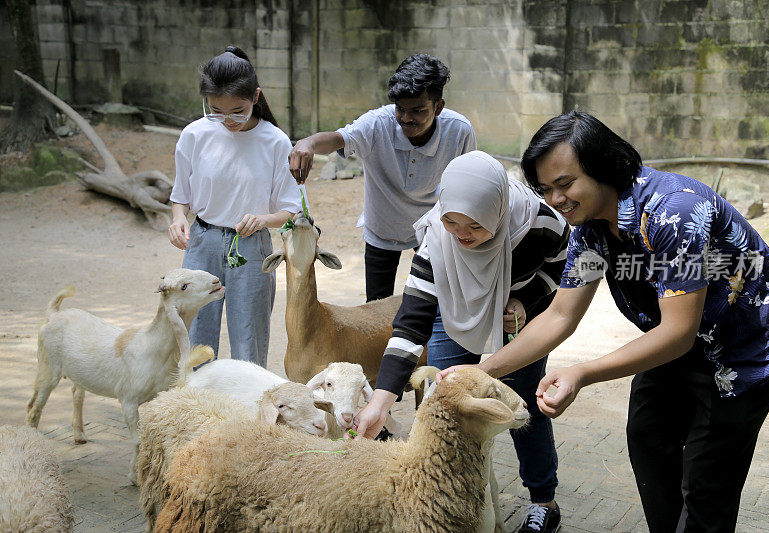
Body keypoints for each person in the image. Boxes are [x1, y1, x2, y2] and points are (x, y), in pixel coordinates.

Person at [439, 112, 769, 532]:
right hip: (678, 340)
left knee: (706, 481)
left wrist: (581, 372)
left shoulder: (674, 212)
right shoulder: (589, 228)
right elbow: (560, 314)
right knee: (649, 439)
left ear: (604, 167)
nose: (554, 200)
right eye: (545, 189)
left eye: (565, 184)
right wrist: (478, 372)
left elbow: (677, 333)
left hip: (744, 350)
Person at [354, 151, 570, 533]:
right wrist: (380, 403)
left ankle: (543, 501)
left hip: (517, 317)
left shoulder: (539, 224)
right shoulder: (438, 240)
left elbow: (560, 265)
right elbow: (411, 322)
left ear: (498, 212)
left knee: (522, 404)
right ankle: (456, 496)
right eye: (451, 220)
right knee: (445, 400)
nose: (461, 235)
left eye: (474, 225)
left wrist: (526, 299)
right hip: (454, 310)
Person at [288, 53, 477, 301]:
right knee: (376, 306)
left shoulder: (459, 130)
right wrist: (308, 143)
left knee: (436, 301)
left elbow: (470, 183)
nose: (407, 118)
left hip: (432, 229)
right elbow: (339, 139)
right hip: (382, 227)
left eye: (418, 110)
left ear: (438, 107)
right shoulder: (378, 124)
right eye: (401, 109)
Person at [168, 45, 302, 368]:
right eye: (216, 110)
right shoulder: (194, 135)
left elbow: (290, 210)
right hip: (202, 243)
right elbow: (180, 196)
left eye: (238, 111)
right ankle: (198, 410)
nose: (227, 120)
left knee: (249, 339)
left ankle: (247, 414)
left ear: (256, 96)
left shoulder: (275, 142)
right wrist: (177, 219)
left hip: (251, 245)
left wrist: (263, 219)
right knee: (196, 335)